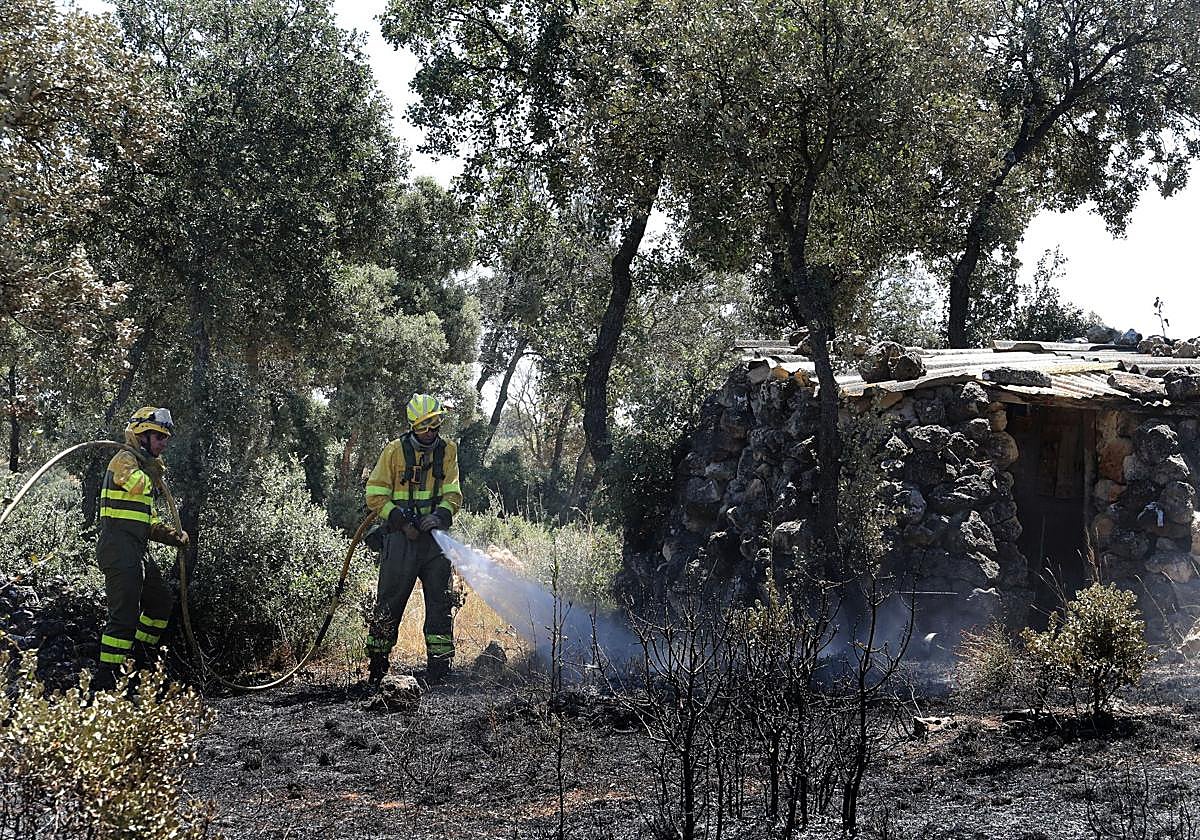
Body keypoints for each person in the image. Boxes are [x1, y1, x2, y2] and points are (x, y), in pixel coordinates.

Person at [364, 393, 463, 686]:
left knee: (440, 603)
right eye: (423, 427)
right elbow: (375, 494)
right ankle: (378, 667)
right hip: (401, 541)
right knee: (389, 602)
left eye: (434, 424)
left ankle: (440, 669)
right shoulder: (394, 452)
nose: (430, 432)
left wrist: (441, 516)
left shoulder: (448, 451)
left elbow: (453, 492)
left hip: (435, 542)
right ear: (412, 427)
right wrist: (400, 521)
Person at [91, 406, 190, 693]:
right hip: (118, 548)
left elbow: (149, 522)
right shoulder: (124, 460)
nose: (163, 443)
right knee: (123, 617)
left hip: (137, 549)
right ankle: (107, 679)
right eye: (157, 436)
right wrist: (152, 472)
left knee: (160, 604)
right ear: (140, 436)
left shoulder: (145, 469)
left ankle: (140, 658)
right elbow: (133, 484)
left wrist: (173, 536)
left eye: (165, 438)